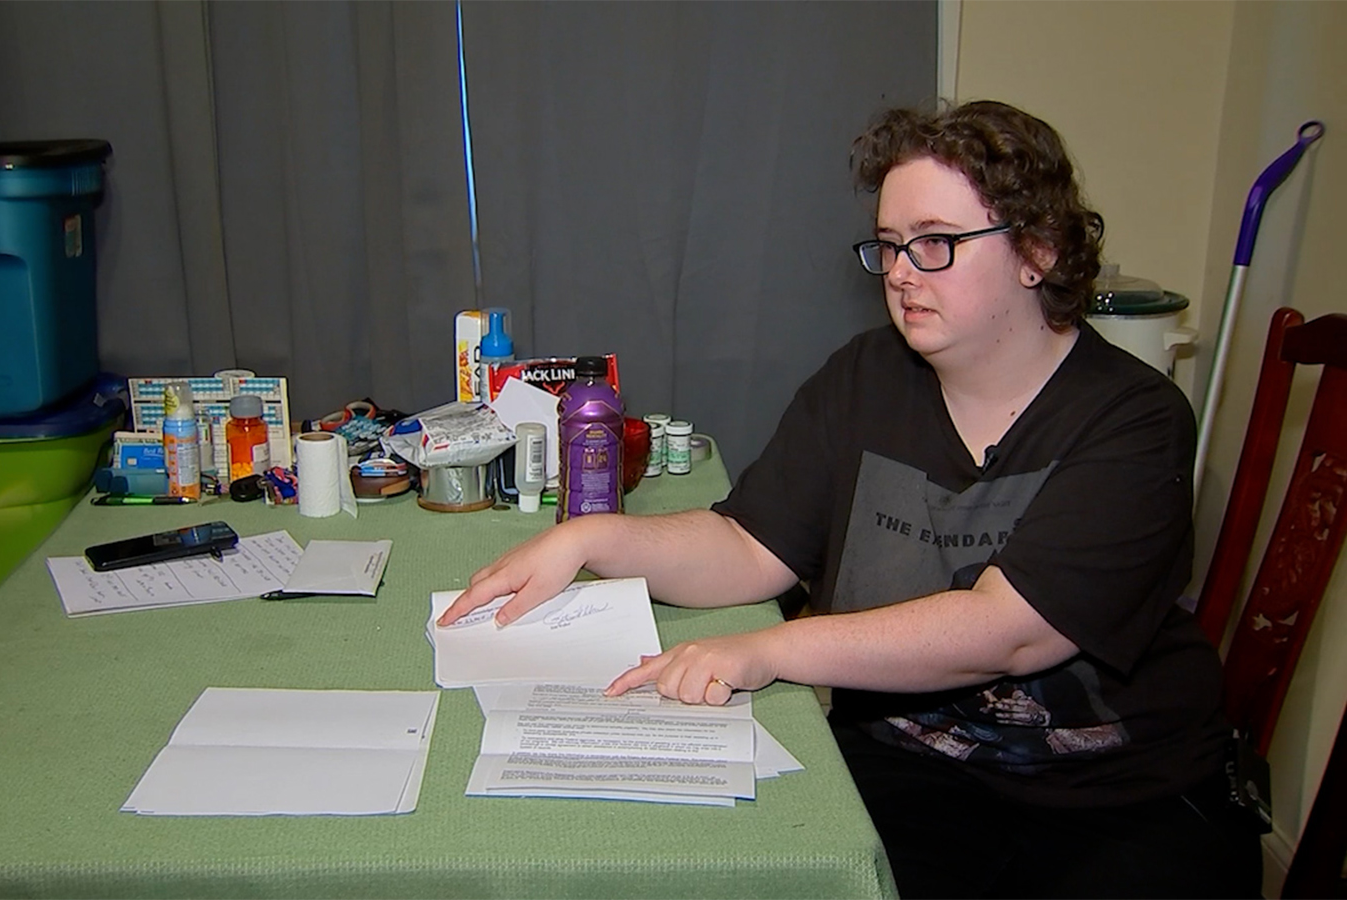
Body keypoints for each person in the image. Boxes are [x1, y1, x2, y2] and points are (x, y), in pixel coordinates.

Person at [438, 100, 1261, 898]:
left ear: (1035, 251)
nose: (901, 273)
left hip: (1118, 797)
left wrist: (763, 651)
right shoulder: (865, 378)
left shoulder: (1134, 418)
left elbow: (1004, 634)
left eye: (936, 243)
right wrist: (593, 542)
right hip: (914, 773)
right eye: (889, 246)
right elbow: (750, 548)